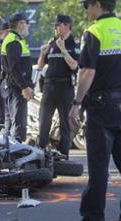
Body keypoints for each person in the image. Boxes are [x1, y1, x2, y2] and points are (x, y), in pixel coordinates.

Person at [69, 0, 121, 221]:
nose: (86, 10)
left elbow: (87, 72)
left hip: (101, 109)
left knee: (99, 169)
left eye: (87, 5)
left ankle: (93, 219)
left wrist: (76, 103)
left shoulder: (93, 32)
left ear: (97, 4)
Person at [37, 14, 79, 158]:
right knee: (43, 121)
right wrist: (42, 55)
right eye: (55, 25)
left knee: (65, 124)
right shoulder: (52, 42)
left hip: (64, 87)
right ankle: (40, 153)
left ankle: (63, 155)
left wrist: (64, 50)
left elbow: (74, 66)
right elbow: (41, 66)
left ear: (67, 26)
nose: (55, 28)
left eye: (58, 25)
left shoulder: (73, 44)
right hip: (49, 86)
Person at [1, 12, 34, 142]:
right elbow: (14, 68)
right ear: (20, 24)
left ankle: (9, 152)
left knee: (12, 123)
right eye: (27, 23)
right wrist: (24, 87)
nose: (28, 26)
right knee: (18, 123)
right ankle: (16, 153)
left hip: (13, 86)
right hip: (15, 87)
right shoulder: (13, 41)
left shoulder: (16, 40)